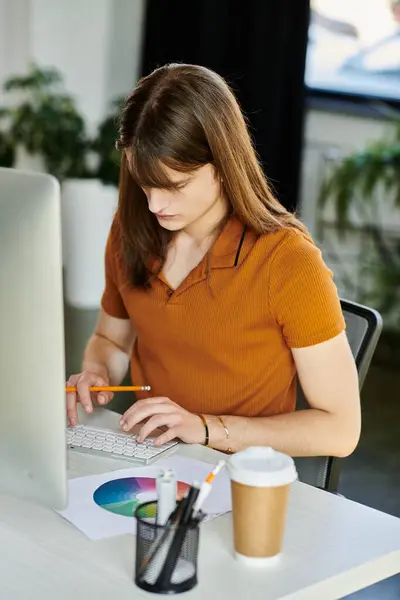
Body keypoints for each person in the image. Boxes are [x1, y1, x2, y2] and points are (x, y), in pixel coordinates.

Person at [66, 63, 361, 458]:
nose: (155, 204)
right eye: (145, 181)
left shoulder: (287, 261)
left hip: (238, 476)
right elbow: (110, 340)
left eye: (175, 186)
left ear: (222, 165)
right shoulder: (131, 229)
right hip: (150, 459)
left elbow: (340, 430)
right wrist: (99, 372)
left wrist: (205, 428)